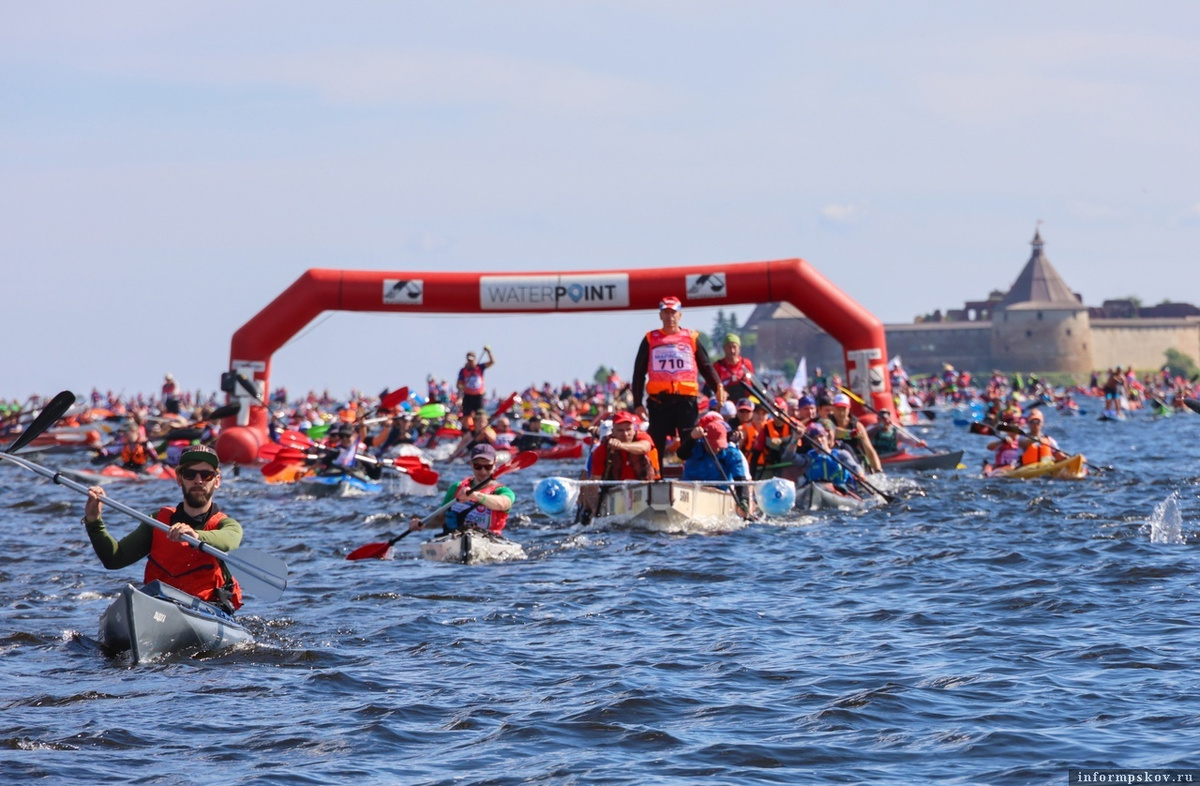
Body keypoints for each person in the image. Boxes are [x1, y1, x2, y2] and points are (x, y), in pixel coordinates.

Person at [80, 445, 243, 612]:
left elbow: (229, 542)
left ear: (217, 481)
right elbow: (114, 559)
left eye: (207, 475)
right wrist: (94, 521)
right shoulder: (158, 521)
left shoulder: (227, 525)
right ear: (179, 479)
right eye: (190, 474)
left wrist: (195, 536)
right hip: (159, 607)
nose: (198, 480)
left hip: (206, 610)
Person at [631, 296, 725, 458]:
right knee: (656, 442)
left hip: (686, 401)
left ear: (680, 315)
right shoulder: (650, 339)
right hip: (659, 402)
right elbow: (639, 373)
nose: (670, 317)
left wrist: (718, 387)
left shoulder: (691, 337)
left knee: (690, 440)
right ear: (660, 315)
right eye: (666, 313)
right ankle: (656, 478)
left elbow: (706, 366)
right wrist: (638, 403)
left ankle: (690, 474)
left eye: (673, 313)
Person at [409, 444, 514, 535]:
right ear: (471, 464)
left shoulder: (502, 491)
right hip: (455, 537)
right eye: (478, 466)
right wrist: (423, 524)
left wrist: (475, 496)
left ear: (495, 465)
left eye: (487, 467)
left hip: (490, 539)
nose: (483, 471)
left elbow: (504, 504)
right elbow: (441, 518)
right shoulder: (456, 488)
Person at [679, 411, 752, 516]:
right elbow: (681, 454)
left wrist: (743, 500)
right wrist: (691, 438)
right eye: (713, 445)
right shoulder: (694, 446)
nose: (717, 448)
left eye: (719, 444)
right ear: (704, 441)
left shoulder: (732, 453)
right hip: (690, 489)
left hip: (718, 492)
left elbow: (740, 479)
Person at [589, 411, 660, 481]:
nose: (625, 434)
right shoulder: (602, 448)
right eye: (620, 430)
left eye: (628, 429)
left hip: (645, 486)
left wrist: (621, 445)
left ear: (634, 430)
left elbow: (645, 447)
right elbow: (595, 481)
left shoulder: (643, 437)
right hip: (614, 489)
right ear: (613, 432)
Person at [829, 394, 883, 473]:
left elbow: (869, 449)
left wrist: (878, 470)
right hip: (834, 460)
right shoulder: (828, 422)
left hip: (854, 460)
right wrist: (850, 434)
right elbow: (834, 431)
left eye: (844, 409)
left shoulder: (857, 426)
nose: (841, 412)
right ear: (833, 408)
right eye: (838, 409)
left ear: (849, 409)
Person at [802, 423, 860, 493]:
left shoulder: (841, 454)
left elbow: (855, 467)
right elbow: (790, 456)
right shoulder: (809, 457)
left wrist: (860, 473)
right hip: (817, 490)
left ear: (826, 437)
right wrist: (794, 439)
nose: (819, 440)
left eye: (821, 436)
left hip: (840, 490)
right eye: (815, 438)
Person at [712, 333, 755, 401]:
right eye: (729, 347)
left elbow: (753, 384)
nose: (732, 351)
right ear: (724, 349)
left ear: (739, 348)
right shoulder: (718, 365)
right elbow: (712, 387)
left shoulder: (746, 364)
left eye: (734, 347)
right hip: (726, 403)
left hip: (744, 403)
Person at [456, 348, 495, 416]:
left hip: (478, 396)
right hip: (468, 396)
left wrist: (488, 352)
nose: (470, 362)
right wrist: (460, 395)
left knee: (480, 414)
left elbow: (492, 362)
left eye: (472, 360)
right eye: (469, 360)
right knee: (466, 415)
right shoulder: (463, 371)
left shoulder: (480, 367)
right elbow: (458, 384)